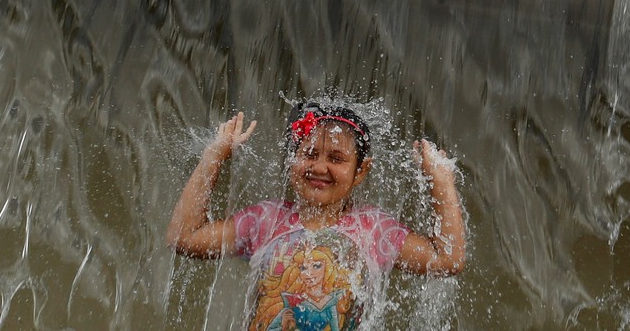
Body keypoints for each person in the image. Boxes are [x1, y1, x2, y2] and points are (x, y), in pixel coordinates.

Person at [167, 100, 466, 330]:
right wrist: (214, 156)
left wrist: (441, 181)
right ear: (291, 160)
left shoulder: (373, 229)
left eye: (336, 159)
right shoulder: (266, 220)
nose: (320, 168)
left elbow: (446, 259)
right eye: (309, 154)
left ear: (360, 170)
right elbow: (184, 237)